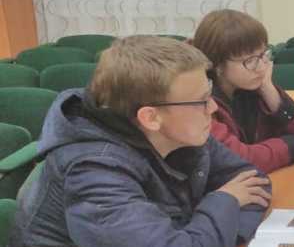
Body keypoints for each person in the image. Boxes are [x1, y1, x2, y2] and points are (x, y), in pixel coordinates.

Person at [10, 36, 272, 247]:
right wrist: (225, 201)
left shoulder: (181, 130)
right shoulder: (94, 174)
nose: (213, 108)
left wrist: (212, 236)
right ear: (150, 117)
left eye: (210, 94)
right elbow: (233, 195)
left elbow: (253, 182)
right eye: (201, 100)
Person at [191, 9, 294, 173]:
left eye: (263, 55)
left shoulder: (248, 87)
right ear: (218, 65)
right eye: (250, 60)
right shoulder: (201, 103)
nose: (261, 67)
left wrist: (267, 88)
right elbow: (237, 159)